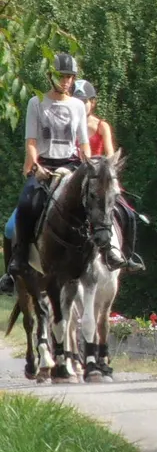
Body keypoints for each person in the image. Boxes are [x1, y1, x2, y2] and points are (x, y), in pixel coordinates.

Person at [0, 53, 92, 294]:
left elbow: (83, 144)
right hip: (45, 167)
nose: (66, 82)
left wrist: (90, 167)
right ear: (51, 76)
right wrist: (35, 164)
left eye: (70, 77)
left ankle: (103, 255)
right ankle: (16, 264)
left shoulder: (78, 106)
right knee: (25, 205)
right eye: (62, 76)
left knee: (98, 204)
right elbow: (31, 141)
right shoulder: (36, 103)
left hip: (71, 167)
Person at [73, 79, 145, 272]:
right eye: (77, 100)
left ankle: (125, 254)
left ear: (93, 102)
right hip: (74, 177)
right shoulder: (68, 123)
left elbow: (110, 156)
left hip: (98, 179)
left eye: (85, 101)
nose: (81, 104)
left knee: (127, 213)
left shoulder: (101, 126)